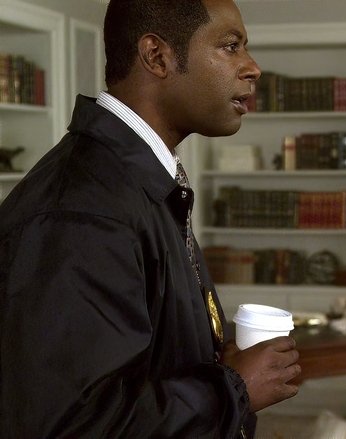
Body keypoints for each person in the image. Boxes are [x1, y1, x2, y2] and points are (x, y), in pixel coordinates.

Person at [0, 0, 300, 437]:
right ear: (157, 56)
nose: (252, 67)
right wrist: (234, 389)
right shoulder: (82, 211)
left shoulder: (137, 180)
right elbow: (75, 424)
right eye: (231, 46)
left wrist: (224, 369)